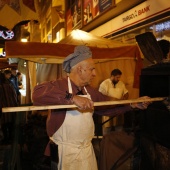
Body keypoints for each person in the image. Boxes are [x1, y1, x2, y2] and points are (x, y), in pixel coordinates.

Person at [32, 45, 151, 170]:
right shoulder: (58, 85)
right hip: (65, 153)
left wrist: (132, 104)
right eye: (91, 69)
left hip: (87, 151)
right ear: (79, 69)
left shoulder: (89, 91)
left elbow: (107, 105)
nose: (94, 74)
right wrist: (71, 98)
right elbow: (37, 94)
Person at [99, 69, 129, 133]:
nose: (118, 79)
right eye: (117, 77)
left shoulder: (121, 83)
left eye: (119, 77)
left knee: (119, 127)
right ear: (112, 76)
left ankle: (118, 142)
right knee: (107, 128)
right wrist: (113, 100)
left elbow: (126, 93)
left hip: (118, 108)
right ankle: (106, 142)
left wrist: (124, 98)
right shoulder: (104, 84)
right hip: (107, 109)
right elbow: (101, 96)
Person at [0, 70, 18, 144]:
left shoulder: (1, 86)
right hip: (11, 107)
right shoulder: (9, 85)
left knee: (4, 124)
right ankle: (10, 138)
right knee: (10, 123)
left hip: (3, 108)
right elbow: (14, 95)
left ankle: (6, 139)